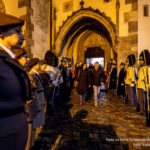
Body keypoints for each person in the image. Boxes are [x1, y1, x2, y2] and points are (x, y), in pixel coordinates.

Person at [0, 13, 31, 150]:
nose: (23, 36)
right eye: (17, 32)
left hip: (15, 131)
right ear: (1, 33)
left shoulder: (11, 59)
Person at [137, 50, 150, 116]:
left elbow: (146, 79)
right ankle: (141, 110)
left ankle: (144, 111)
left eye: (141, 60)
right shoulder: (141, 67)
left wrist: (145, 86)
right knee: (140, 99)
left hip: (143, 86)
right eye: (139, 60)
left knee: (143, 99)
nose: (140, 61)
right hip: (139, 85)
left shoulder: (146, 68)